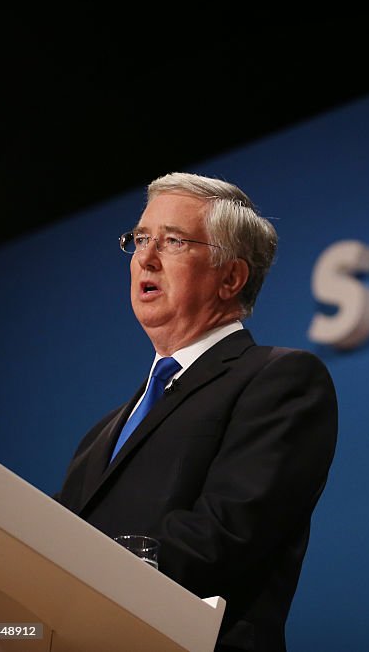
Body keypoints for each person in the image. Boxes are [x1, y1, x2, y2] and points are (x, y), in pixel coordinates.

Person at [55, 172, 338, 652]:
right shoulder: (103, 433)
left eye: (172, 242)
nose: (145, 258)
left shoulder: (280, 381)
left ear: (231, 277)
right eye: (140, 239)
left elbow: (224, 534)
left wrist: (86, 582)